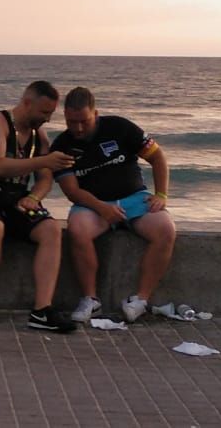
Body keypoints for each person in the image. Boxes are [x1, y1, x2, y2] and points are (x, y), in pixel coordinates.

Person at [0, 80, 76, 332]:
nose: (47, 120)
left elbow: (44, 177)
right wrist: (44, 160)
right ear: (27, 103)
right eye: (44, 113)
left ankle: (42, 311)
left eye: (51, 114)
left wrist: (34, 197)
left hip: (14, 198)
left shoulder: (38, 136)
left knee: (51, 229)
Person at [51, 86, 176, 324]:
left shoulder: (120, 127)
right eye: (71, 122)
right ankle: (91, 299)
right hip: (91, 205)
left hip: (134, 198)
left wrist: (161, 194)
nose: (77, 128)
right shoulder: (62, 145)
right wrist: (101, 208)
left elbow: (157, 157)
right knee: (77, 228)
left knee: (166, 229)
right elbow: (72, 191)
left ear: (95, 114)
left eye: (83, 122)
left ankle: (140, 300)